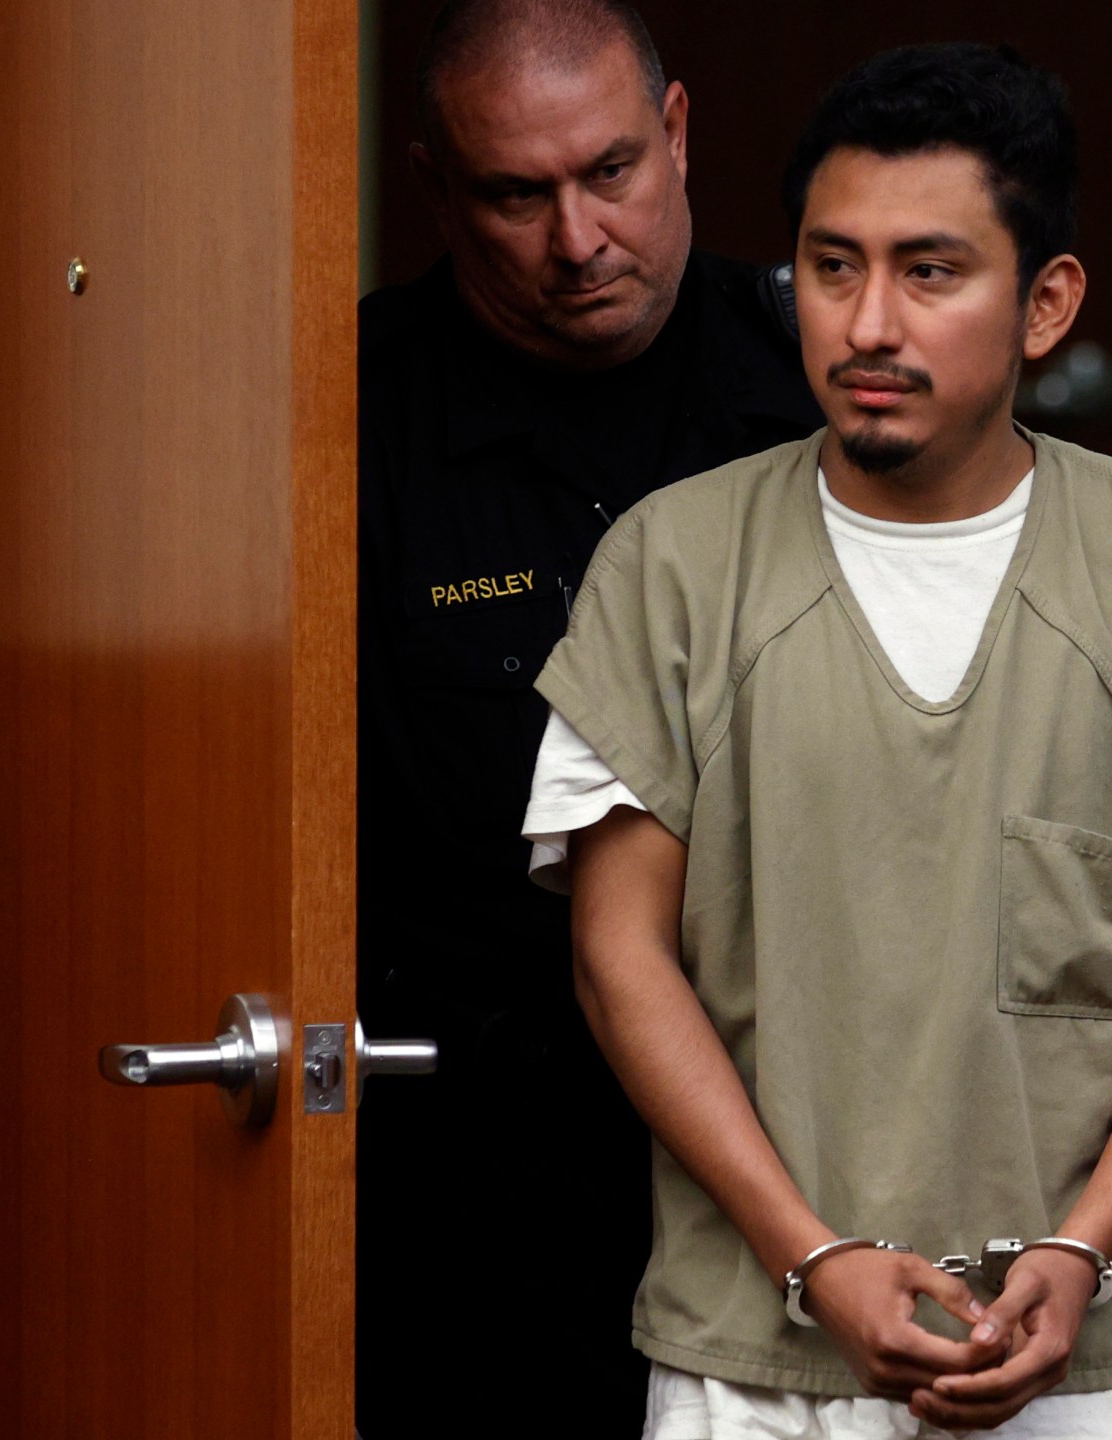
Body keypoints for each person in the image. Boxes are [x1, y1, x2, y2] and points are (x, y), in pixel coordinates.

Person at [522, 42, 1112, 1440]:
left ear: (1046, 302)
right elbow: (618, 955)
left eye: (932, 272)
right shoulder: (677, 566)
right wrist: (813, 1258)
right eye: (833, 269)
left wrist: (1082, 1252)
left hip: (1104, 1363)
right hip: (758, 1363)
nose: (869, 324)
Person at [354, 1, 821, 1433]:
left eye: (610, 172)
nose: (576, 240)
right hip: (479, 1178)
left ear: (678, 136)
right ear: (438, 191)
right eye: (516, 195)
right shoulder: (344, 419)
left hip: (804, 1142)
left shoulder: (828, 379)